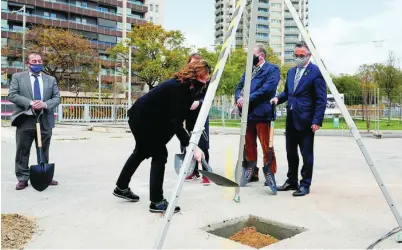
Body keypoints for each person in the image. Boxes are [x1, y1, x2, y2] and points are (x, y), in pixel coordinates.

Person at [113, 60, 211, 213]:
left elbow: (181, 117)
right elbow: (175, 122)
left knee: (141, 151)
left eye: (207, 78)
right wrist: (192, 146)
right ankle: (157, 201)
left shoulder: (187, 87)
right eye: (203, 77)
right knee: (160, 154)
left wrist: (192, 143)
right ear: (194, 74)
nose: (205, 81)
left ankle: (121, 186)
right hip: (142, 119)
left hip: (147, 118)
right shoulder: (179, 88)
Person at [270, 41, 327, 197]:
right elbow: (288, 93)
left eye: (301, 56)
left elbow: (321, 99)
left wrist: (317, 121)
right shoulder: (291, 72)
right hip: (291, 119)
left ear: (308, 55)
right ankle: (292, 181)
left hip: (307, 120)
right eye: (295, 55)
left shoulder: (315, 72)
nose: (298, 58)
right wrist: (277, 98)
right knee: (291, 153)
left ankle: (305, 184)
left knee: (306, 155)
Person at [8, 52, 61, 190]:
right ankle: (22, 178)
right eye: (34, 61)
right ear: (27, 63)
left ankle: (44, 176)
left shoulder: (50, 79)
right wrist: (31, 103)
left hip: (44, 118)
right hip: (25, 118)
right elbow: (12, 95)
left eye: (39, 61)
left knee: (44, 149)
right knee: (22, 150)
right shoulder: (18, 77)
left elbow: (57, 98)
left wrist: (44, 104)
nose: (37, 63)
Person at [234, 44, 280, 193]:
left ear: (261, 56)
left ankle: (270, 173)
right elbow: (239, 86)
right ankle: (252, 172)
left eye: (251, 55)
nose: (249, 58)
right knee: (248, 145)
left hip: (263, 114)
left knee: (267, 145)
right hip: (247, 115)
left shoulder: (272, 70)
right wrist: (238, 98)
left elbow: (268, 90)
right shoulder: (249, 70)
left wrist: (247, 98)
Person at [181, 53, 211, 185]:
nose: (193, 66)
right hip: (188, 114)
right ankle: (193, 171)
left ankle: (206, 172)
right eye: (191, 63)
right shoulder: (186, 79)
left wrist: (199, 102)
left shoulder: (207, 80)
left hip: (201, 114)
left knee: (203, 144)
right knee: (188, 143)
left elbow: (208, 96)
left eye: (195, 64)